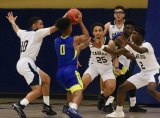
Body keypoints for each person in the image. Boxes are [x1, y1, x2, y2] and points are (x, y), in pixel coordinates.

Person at [6, 12, 58, 118]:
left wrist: (12, 22)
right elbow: (56, 27)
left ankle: (46, 106)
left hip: (25, 63)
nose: (42, 26)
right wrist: (67, 16)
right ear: (34, 26)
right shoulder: (38, 33)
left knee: (46, 79)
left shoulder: (24, 33)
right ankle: (20, 104)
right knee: (37, 90)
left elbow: (16, 29)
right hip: (26, 63)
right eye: (41, 24)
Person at [98, 5, 146, 113]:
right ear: (124, 29)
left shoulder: (132, 38)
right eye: (127, 28)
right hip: (115, 64)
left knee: (132, 83)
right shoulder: (118, 38)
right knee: (121, 84)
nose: (129, 30)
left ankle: (133, 105)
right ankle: (106, 103)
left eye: (131, 29)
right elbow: (125, 53)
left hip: (124, 65)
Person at [105, 27, 160, 117]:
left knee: (151, 89)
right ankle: (119, 112)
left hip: (154, 72)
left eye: (134, 33)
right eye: (132, 33)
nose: (132, 35)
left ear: (140, 36)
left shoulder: (147, 44)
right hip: (143, 73)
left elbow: (140, 51)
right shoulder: (131, 45)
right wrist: (101, 46)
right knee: (122, 87)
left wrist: (127, 43)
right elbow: (115, 52)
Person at [54, 10, 89, 118]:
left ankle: (69, 106)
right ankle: (72, 109)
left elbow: (74, 50)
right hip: (71, 70)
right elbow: (87, 36)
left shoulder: (56, 41)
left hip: (59, 73)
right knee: (79, 93)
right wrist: (80, 22)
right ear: (70, 27)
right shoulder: (74, 39)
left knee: (70, 91)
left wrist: (82, 46)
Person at [81, 23, 116, 108]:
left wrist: (116, 67)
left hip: (106, 68)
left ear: (103, 32)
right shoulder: (90, 41)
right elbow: (79, 48)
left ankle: (101, 98)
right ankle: (70, 104)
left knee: (111, 87)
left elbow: (115, 56)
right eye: (95, 31)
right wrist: (76, 59)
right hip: (93, 67)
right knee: (81, 85)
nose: (98, 32)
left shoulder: (110, 42)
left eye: (100, 30)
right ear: (93, 33)